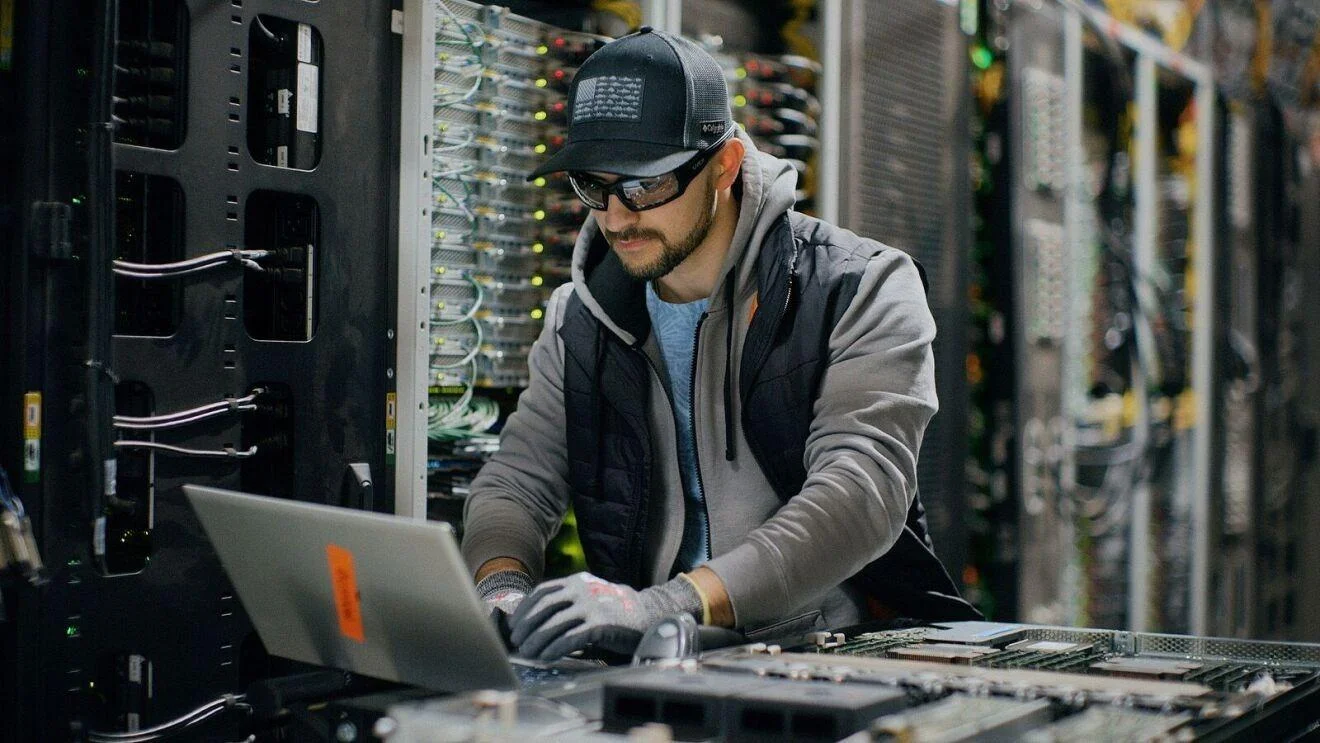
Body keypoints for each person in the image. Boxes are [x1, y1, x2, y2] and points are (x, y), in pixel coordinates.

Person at [461, 26, 979, 663]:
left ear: (725, 166)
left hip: (824, 660)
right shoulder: (581, 319)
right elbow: (517, 482)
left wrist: (664, 604)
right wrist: (503, 591)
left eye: (643, 185)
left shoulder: (860, 287)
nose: (617, 216)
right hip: (657, 663)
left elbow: (859, 496)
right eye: (593, 186)